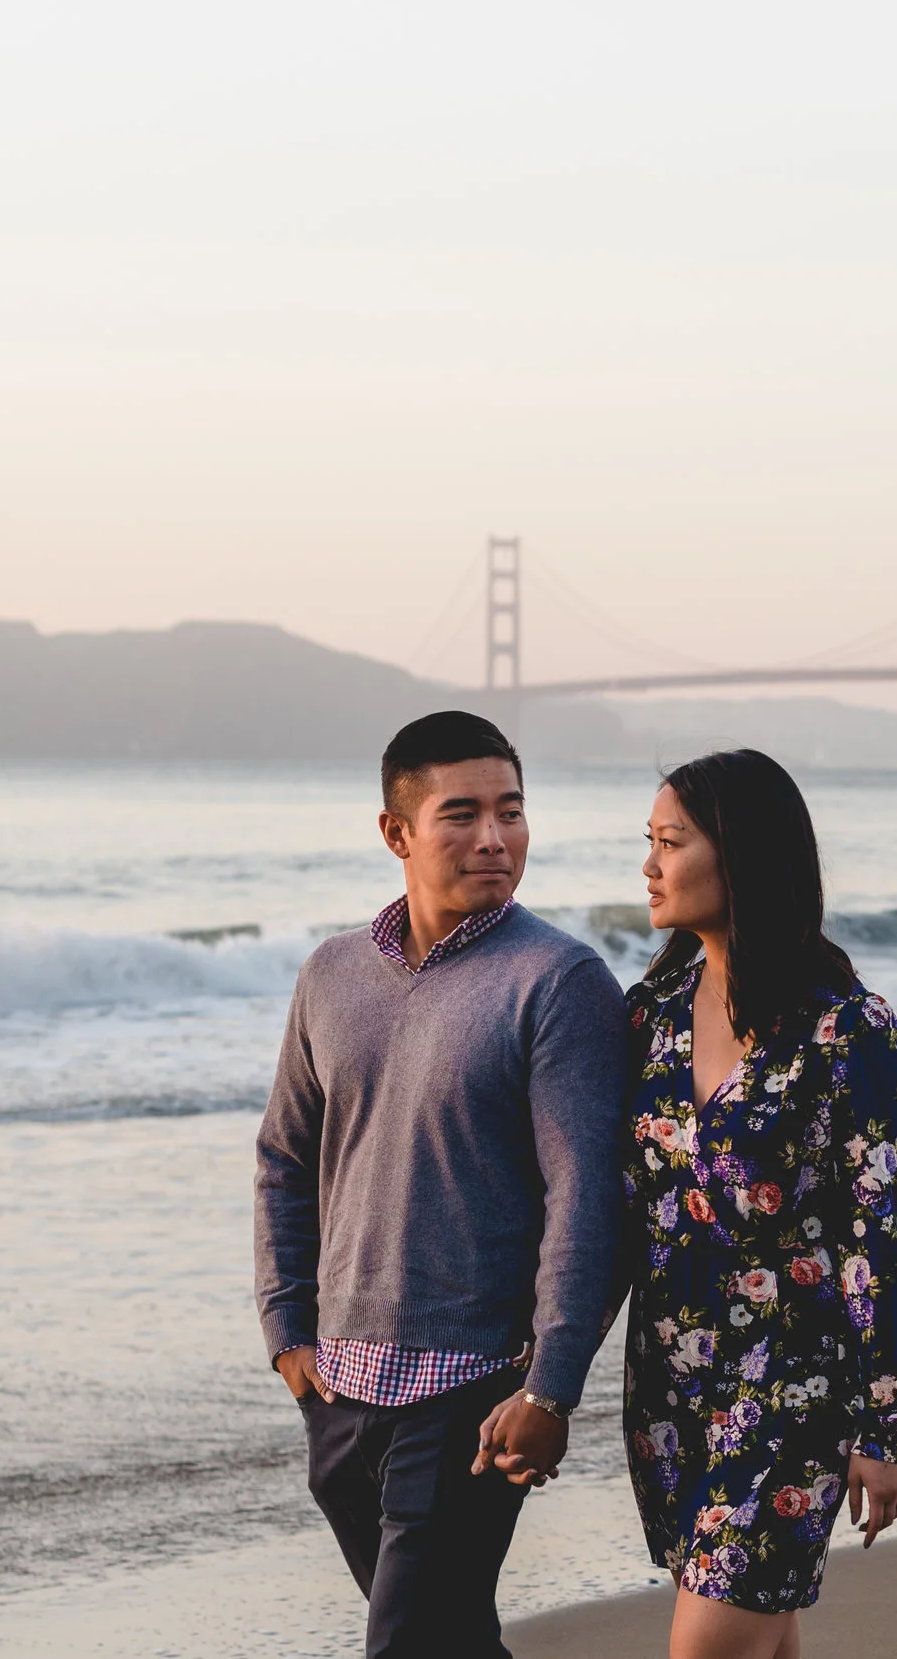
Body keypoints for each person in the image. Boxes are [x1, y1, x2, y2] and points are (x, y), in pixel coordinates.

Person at [255, 710, 627, 1658]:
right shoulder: (331, 973)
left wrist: (550, 1387)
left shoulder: (558, 979)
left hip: (473, 1390)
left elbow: (585, 1195)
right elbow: (287, 1158)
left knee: (406, 1645)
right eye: (461, 814)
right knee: (450, 1637)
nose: (495, 838)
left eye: (512, 810)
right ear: (397, 832)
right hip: (339, 1383)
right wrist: (288, 1331)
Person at [621, 749, 897, 1659]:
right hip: (672, 1385)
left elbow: (878, 1231)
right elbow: (617, 1217)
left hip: (797, 1386)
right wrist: (544, 1369)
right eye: (649, 841)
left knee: (705, 1645)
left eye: (671, 842)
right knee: (757, 1638)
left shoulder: (847, 1029)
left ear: (741, 855)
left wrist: (883, 1422)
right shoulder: (650, 1017)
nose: (649, 865)